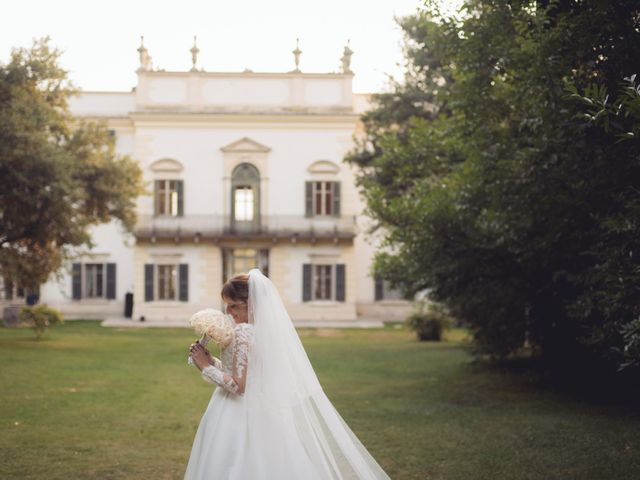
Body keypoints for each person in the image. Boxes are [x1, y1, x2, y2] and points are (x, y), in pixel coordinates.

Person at [184, 268, 391, 479]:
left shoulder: (243, 332)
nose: (229, 312)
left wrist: (205, 367)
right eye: (226, 305)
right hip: (262, 407)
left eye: (234, 305)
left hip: (238, 412)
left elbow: (239, 386)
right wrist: (213, 361)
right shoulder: (261, 332)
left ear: (252, 304)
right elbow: (250, 373)